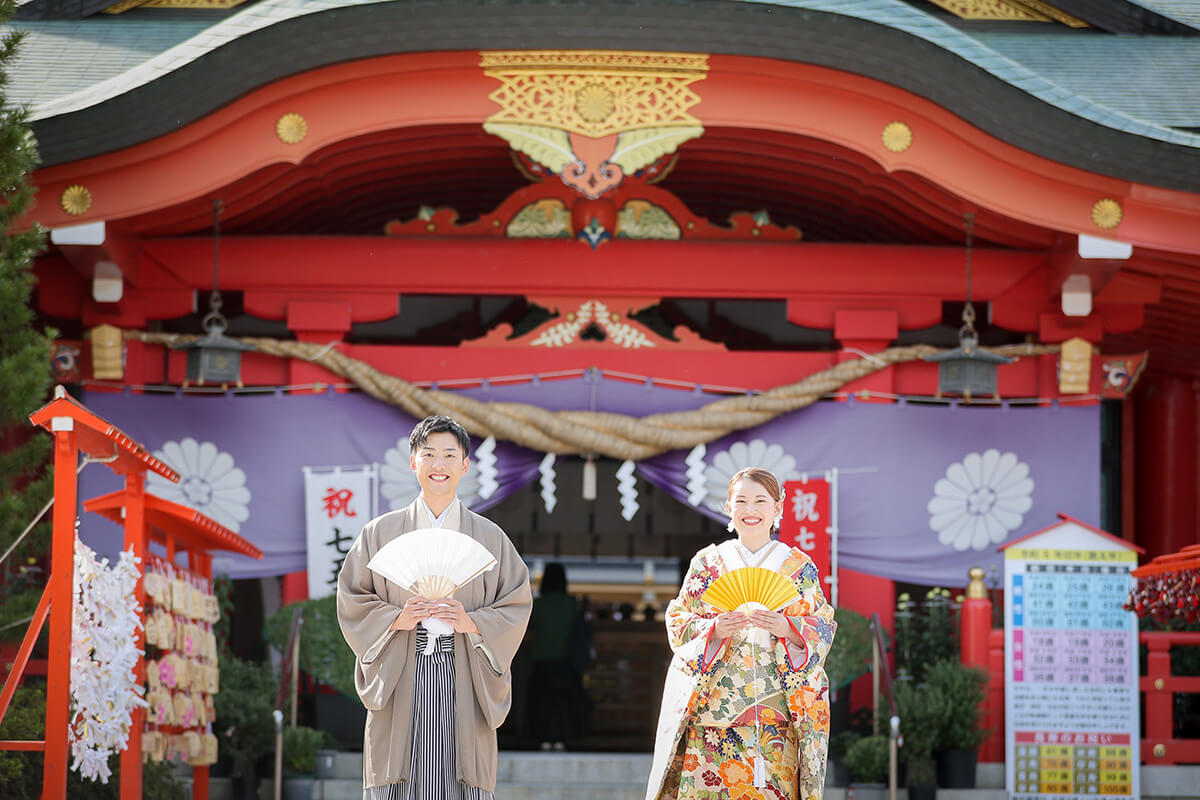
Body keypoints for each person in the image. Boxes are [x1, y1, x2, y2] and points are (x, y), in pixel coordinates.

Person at [337, 415, 532, 800]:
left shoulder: (490, 539)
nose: (438, 465)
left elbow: (516, 603)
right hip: (401, 669)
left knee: (460, 778)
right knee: (398, 778)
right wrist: (396, 617)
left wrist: (472, 622)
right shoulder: (379, 533)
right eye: (428, 455)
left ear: (464, 465)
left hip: (464, 667)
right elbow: (352, 598)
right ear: (413, 462)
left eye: (448, 455)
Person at [645, 467, 837, 800]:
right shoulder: (707, 563)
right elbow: (678, 621)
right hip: (713, 712)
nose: (751, 510)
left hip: (776, 713)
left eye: (761, 501)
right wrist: (713, 628)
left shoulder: (797, 566)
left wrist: (788, 627)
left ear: (778, 509)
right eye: (742, 501)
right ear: (728, 508)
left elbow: (822, 623)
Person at [525, 561, 591, 750]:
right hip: (565, 660)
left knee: (542, 701)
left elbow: (528, 627)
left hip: (541, 658)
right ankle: (561, 738)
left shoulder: (538, 605)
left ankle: (544, 738)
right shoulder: (572, 604)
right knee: (563, 701)